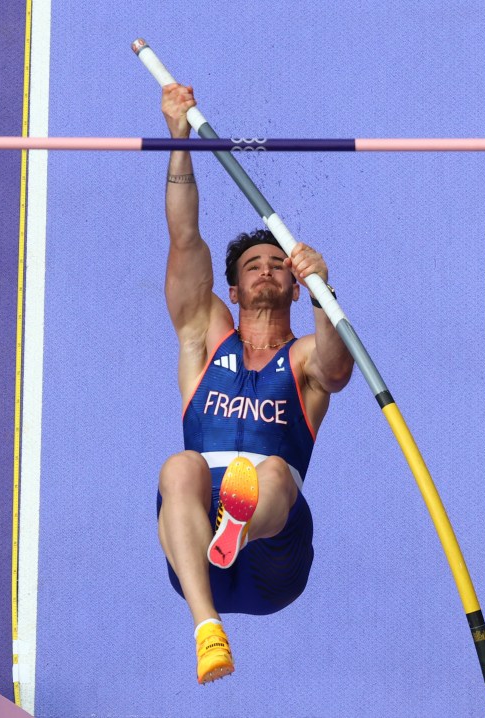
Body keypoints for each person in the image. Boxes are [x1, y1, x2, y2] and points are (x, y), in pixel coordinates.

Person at [156, 82, 355, 684]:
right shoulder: (204, 334)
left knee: (267, 474)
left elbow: (340, 370)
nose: (267, 268)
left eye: (279, 264)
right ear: (234, 291)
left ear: (293, 287)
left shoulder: (304, 361)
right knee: (179, 468)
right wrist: (179, 142)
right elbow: (184, 238)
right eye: (252, 265)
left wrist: (326, 290)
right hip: (196, 545)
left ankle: (239, 529)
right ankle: (207, 629)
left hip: (275, 560)